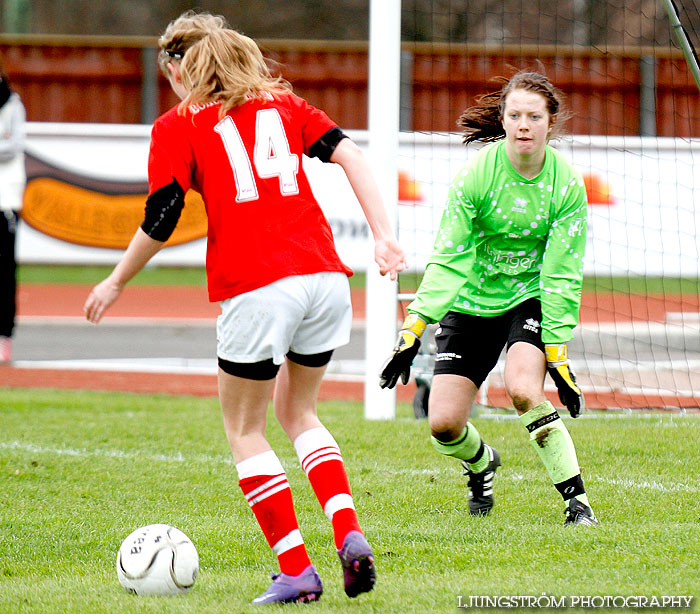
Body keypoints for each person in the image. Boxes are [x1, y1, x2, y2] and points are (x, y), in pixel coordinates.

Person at [84, 11, 406, 605]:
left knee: (244, 428)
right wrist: (383, 235)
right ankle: (349, 533)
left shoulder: (178, 125)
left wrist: (115, 280)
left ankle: (297, 570)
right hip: (325, 278)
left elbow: (161, 217)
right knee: (300, 413)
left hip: (259, 286)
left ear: (185, 68)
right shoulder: (286, 108)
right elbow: (351, 155)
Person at [380, 71, 597, 527]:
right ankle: (482, 464)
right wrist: (413, 329)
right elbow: (449, 258)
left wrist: (556, 352)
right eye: (515, 115)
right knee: (443, 424)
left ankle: (576, 504)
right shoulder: (475, 176)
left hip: (529, 297)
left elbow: (561, 272)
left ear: (550, 122)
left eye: (534, 116)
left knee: (522, 389)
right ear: (502, 119)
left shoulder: (566, 186)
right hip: (471, 302)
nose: (523, 125)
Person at [0, 66, 26, 363]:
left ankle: (4, 334)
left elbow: (14, 146)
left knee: (5, 272)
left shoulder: (12, 105)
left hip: (5, 200)